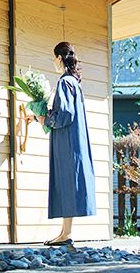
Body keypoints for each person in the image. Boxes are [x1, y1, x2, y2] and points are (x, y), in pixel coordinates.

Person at [30, 41, 96, 245]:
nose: (54, 62)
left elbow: (65, 114)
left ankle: (66, 233)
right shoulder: (74, 82)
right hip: (73, 140)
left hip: (66, 142)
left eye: (54, 58)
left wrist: (44, 118)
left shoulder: (65, 82)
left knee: (66, 182)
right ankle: (65, 232)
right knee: (68, 184)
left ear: (59, 58)